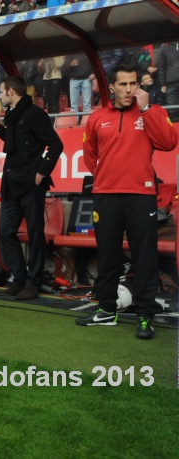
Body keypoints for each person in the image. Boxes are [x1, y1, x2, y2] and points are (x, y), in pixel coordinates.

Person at [77, 64, 178, 338]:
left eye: (133, 84)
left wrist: (146, 111)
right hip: (106, 196)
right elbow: (90, 155)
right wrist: (106, 178)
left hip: (141, 197)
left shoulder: (152, 112)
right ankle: (108, 309)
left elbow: (169, 142)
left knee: (145, 257)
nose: (128, 89)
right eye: (122, 84)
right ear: (112, 87)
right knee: (108, 255)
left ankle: (145, 315)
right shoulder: (97, 118)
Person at [0, 76, 63, 301]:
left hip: (31, 185)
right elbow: (15, 145)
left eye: (2, 92)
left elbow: (56, 144)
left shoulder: (34, 113)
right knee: (4, 230)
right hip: (13, 185)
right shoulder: (12, 116)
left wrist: (41, 173)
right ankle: (20, 277)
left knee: (35, 233)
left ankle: (33, 282)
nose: (0, 96)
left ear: (12, 91)